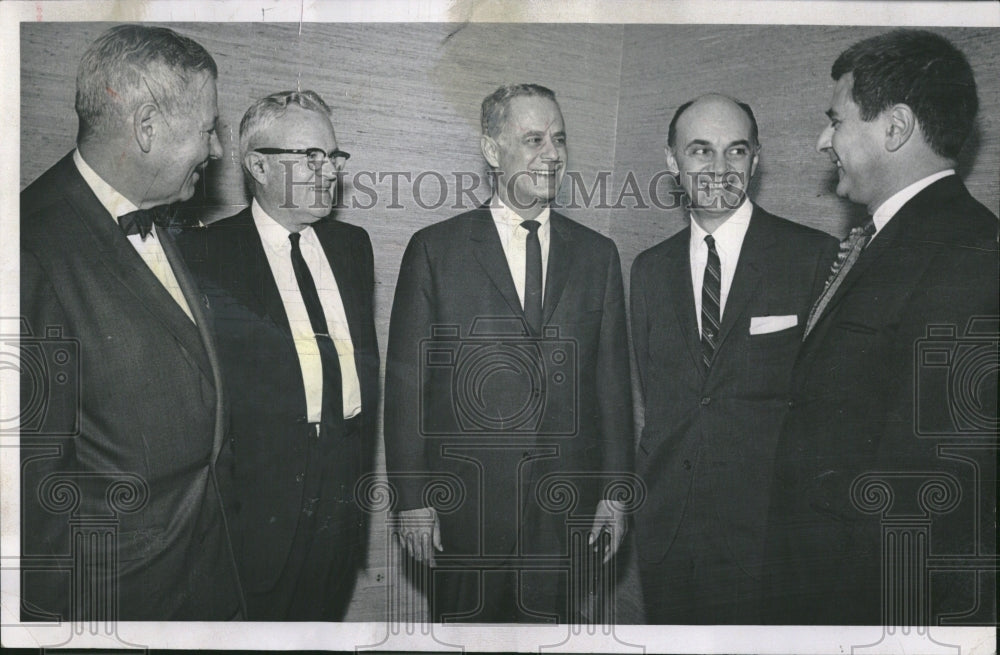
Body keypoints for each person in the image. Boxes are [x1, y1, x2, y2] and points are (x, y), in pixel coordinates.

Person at [764, 29, 999, 625]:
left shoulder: (968, 252)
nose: (824, 141)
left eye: (836, 121)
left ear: (894, 128)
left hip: (864, 604)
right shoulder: (891, 238)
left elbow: (934, 489)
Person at [384, 83, 633, 623]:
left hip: (566, 510)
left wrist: (615, 493)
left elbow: (612, 385)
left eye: (560, 139)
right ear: (492, 152)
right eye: (535, 139)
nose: (554, 153)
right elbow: (406, 386)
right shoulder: (435, 249)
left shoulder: (599, 256)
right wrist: (412, 499)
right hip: (465, 509)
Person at [19, 24, 242, 620]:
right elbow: (26, 505)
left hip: (204, 582)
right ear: (146, 127)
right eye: (208, 129)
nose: (218, 150)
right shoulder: (27, 252)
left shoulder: (158, 215)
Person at [629, 94, 838, 623]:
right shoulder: (648, 271)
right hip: (668, 535)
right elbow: (660, 402)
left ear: (756, 159)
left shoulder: (813, 256)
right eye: (700, 151)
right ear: (673, 162)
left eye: (736, 151)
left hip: (768, 538)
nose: (720, 169)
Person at [178, 90, 379, 621]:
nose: (327, 171)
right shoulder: (205, 254)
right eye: (308, 157)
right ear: (258, 165)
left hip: (341, 498)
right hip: (258, 512)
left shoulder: (353, 245)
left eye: (333, 157)